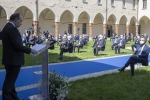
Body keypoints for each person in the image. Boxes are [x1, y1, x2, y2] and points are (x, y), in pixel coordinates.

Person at [1, 13, 37, 100]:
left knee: (11, 81)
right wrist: (30, 50)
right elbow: (17, 45)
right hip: (14, 60)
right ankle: (7, 98)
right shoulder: (12, 29)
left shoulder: (6, 27)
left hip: (9, 59)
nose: (21, 23)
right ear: (16, 19)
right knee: (9, 83)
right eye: (20, 21)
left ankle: (14, 98)